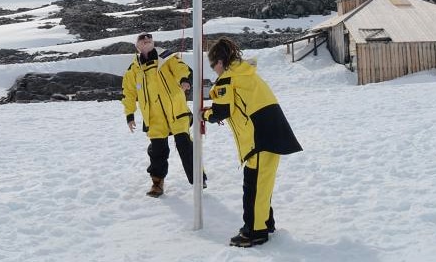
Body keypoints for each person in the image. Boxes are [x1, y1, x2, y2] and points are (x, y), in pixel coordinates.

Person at [201, 37, 302, 247]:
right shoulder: (245, 72)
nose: (214, 71)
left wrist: (203, 115)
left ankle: (254, 232)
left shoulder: (228, 78)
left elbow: (222, 110)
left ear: (220, 61)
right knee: (262, 184)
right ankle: (265, 223)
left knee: (253, 186)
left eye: (213, 66)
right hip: (272, 134)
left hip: (260, 138)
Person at [122, 32, 206, 198]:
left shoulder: (166, 57)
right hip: (154, 119)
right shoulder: (133, 70)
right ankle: (157, 183)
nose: (146, 40)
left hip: (176, 111)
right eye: (142, 39)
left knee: (185, 145)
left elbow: (181, 68)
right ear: (137, 46)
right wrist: (129, 115)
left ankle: (198, 178)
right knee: (158, 151)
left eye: (149, 39)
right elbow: (128, 93)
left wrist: (184, 80)